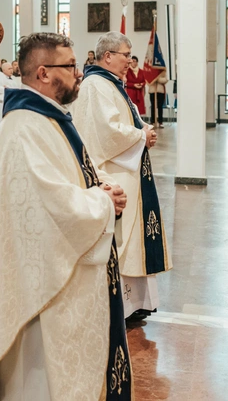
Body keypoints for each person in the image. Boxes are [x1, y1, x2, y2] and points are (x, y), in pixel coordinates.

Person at [0, 32, 131, 400]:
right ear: (43, 73)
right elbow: (48, 209)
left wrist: (102, 186)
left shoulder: (48, 119)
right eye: (70, 66)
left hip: (54, 280)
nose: (79, 73)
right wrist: (101, 203)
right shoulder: (23, 129)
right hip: (38, 295)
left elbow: (70, 175)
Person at [72, 31, 171, 322]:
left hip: (126, 169)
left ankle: (136, 302)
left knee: (132, 237)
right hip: (114, 172)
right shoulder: (95, 85)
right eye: (126, 54)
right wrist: (141, 134)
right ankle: (119, 305)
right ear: (108, 56)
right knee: (121, 237)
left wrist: (143, 128)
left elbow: (125, 118)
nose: (130, 60)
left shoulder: (110, 84)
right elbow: (106, 131)